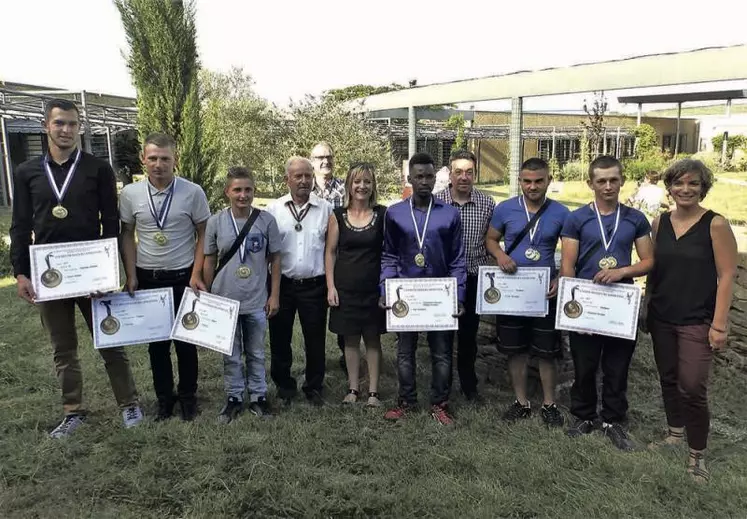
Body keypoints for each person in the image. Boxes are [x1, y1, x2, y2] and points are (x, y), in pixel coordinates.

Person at [9, 98, 142, 438]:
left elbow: (110, 222)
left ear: (80, 127)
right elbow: (21, 226)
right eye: (59, 123)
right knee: (62, 348)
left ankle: (129, 405)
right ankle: (73, 411)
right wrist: (21, 273)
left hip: (92, 273)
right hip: (49, 275)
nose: (66, 130)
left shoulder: (97, 169)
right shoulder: (26, 172)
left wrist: (109, 271)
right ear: (46, 126)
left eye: (72, 124)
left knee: (110, 338)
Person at [644, 159, 737, 483]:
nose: (685, 190)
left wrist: (720, 324)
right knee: (669, 379)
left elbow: (727, 275)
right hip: (662, 315)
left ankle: (697, 454)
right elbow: (655, 269)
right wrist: (647, 306)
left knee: (693, 386)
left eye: (693, 184)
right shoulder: (659, 222)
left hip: (697, 319)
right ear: (668, 187)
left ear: (703, 188)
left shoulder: (716, 224)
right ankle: (674, 433)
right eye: (679, 183)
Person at [560, 155, 654, 450]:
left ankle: (614, 420)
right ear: (590, 183)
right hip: (587, 302)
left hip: (619, 305)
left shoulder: (635, 219)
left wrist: (622, 271)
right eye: (601, 180)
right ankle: (584, 415)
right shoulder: (576, 218)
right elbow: (567, 266)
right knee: (584, 365)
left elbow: (649, 261)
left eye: (614, 179)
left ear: (622, 180)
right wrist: (576, 313)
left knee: (617, 366)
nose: (608, 186)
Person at [119, 132, 211, 421]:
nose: (159, 164)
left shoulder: (192, 192)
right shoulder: (130, 194)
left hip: (183, 277)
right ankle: (164, 399)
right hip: (148, 279)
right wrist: (131, 274)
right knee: (156, 345)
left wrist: (196, 274)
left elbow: (203, 235)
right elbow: (126, 235)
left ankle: (188, 398)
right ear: (144, 159)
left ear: (176, 160)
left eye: (165, 159)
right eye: (153, 158)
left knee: (186, 342)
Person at [380, 152, 466, 425]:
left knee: (441, 353)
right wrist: (385, 289)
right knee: (405, 352)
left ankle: (440, 403)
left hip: (439, 298)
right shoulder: (394, 214)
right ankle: (406, 401)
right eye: (419, 176)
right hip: (406, 297)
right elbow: (389, 256)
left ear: (435, 179)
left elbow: (457, 259)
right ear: (410, 179)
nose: (425, 181)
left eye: (429, 176)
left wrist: (459, 296)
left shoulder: (450, 214)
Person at [485, 158, 569, 426]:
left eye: (539, 181)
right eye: (527, 181)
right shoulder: (506, 209)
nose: (532, 186)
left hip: (544, 292)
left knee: (547, 352)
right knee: (515, 350)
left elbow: (569, 251)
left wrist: (563, 277)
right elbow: (491, 239)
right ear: (520, 181)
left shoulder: (561, 212)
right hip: (513, 291)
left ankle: (549, 404)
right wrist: (499, 255)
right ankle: (521, 402)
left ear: (548, 180)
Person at [202, 167, 282, 422]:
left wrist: (274, 296)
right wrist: (208, 296)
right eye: (237, 189)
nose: (243, 195)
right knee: (231, 354)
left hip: (256, 300)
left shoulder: (266, 220)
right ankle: (234, 397)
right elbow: (209, 258)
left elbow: (276, 260)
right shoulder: (216, 222)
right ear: (227, 192)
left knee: (257, 352)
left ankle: (258, 397)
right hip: (225, 300)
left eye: (248, 190)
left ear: (254, 192)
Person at [266, 157, 333, 407]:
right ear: (287, 180)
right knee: (280, 338)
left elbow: (331, 250)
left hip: (314, 286)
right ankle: (284, 385)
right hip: (282, 285)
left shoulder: (325, 209)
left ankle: (314, 386)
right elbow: (269, 253)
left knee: (315, 340)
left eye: (307, 175)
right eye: (298, 176)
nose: (304, 181)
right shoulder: (273, 210)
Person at [434, 149, 495, 401]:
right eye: (458, 172)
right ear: (450, 174)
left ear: (475, 174)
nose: (463, 177)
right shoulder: (436, 201)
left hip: (473, 278)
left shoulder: (487, 203)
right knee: (443, 336)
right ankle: (442, 386)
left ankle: (469, 386)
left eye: (469, 172)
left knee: (469, 337)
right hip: (444, 281)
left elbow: (492, 241)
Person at [325, 163, 386, 406]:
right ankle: (353, 389)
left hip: (373, 290)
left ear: (373, 186)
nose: (362, 186)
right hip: (345, 289)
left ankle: (373, 392)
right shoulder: (337, 215)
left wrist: (385, 288)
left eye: (367, 182)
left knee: (372, 339)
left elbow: (388, 253)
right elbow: (330, 252)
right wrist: (330, 286)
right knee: (350, 340)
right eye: (357, 182)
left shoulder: (383, 214)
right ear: (349, 185)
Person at [310, 141, 347, 371]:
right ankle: (317, 361)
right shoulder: (305, 188)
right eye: (319, 158)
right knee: (314, 317)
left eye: (329, 156)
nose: (325, 161)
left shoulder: (345, 189)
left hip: (340, 259)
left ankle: (347, 354)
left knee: (342, 312)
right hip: (314, 260)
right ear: (312, 161)